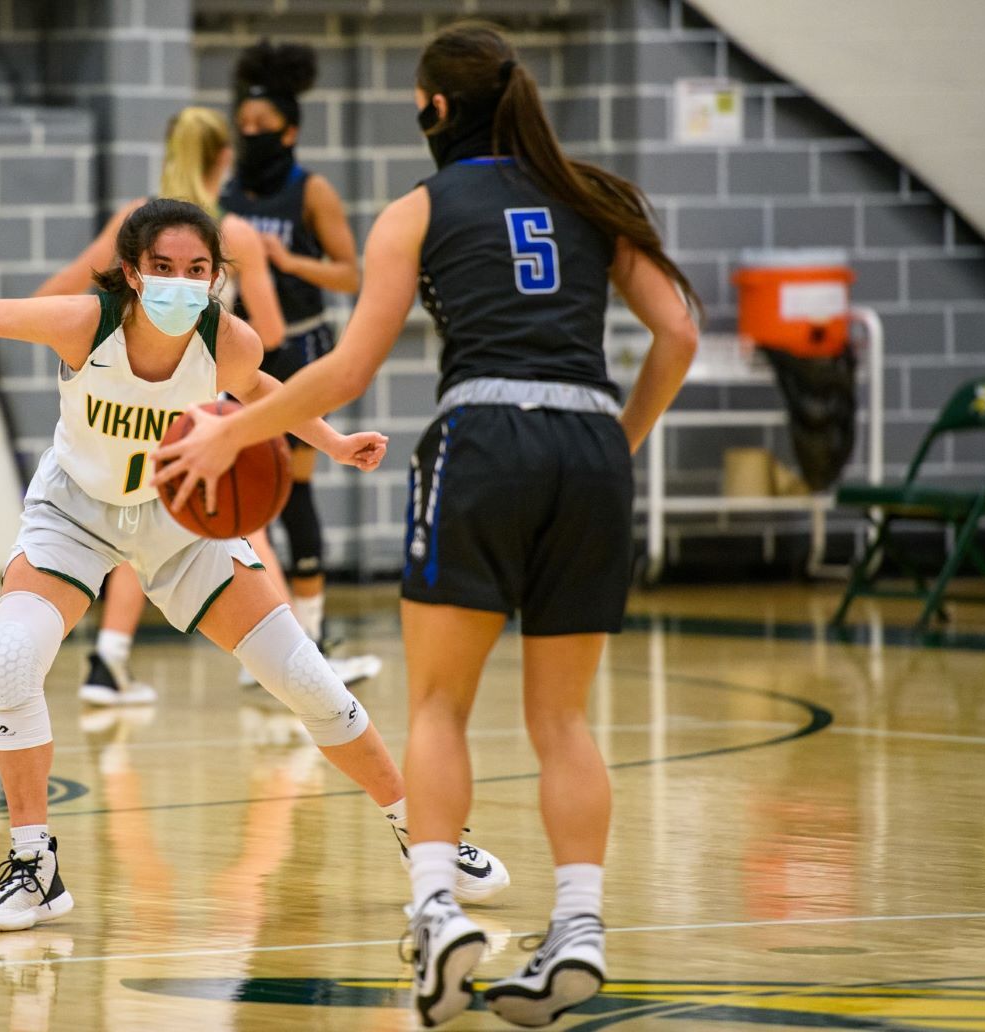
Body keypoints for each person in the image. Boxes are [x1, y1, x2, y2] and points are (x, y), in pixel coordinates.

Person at [153, 23, 700, 1028]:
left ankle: (438, 912)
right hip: (588, 448)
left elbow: (346, 372)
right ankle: (578, 925)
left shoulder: (418, 209)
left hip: (481, 439)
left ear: (435, 110)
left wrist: (235, 438)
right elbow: (679, 332)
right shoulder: (594, 195)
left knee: (441, 706)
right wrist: (619, 438)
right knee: (564, 719)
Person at [0, 198, 510, 933]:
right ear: (133, 273)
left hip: (180, 518)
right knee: (11, 656)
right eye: (163, 268)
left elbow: (262, 394)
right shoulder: (85, 323)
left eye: (197, 269)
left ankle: (426, 834)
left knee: (307, 680)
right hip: (76, 509)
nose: (180, 281)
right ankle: (33, 863)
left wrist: (329, 443)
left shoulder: (229, 341)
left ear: (215, 276)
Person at [34, 106, 374, 703]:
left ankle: (110, 658)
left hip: (121, 391)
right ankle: (287, 654)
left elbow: (68, 279)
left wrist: (15, 318)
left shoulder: (133, 223)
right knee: (238, 518)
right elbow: (268, 331)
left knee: (138, 510)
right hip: (202, 403)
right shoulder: (232, 233)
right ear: (225, 160)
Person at [221, 41, 368, 665]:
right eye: (243, 125)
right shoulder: (225, 193)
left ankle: (310, 631)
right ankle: (264, 632)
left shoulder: (313, 191)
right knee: (242, 487)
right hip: (237, 348)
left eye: (263, 127)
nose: (250, 134)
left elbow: (350, 274)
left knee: (296, 490)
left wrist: (287, 261)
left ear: (291, 131)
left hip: (302, 345)